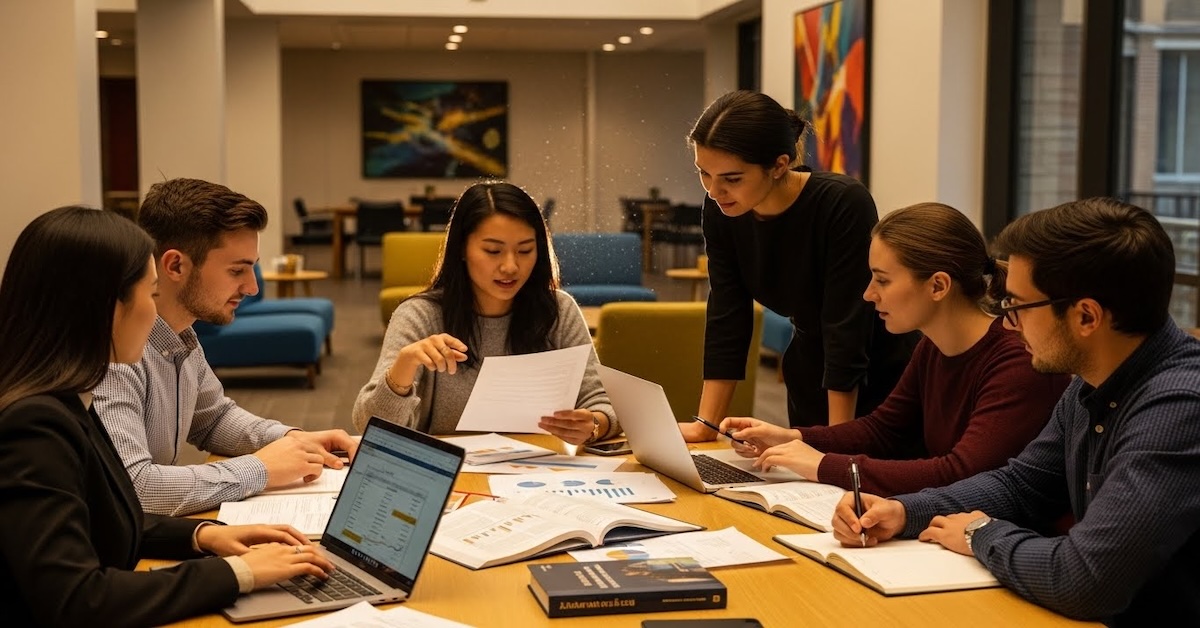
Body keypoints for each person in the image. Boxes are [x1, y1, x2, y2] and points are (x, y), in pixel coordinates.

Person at [833, 198, 1200, 624]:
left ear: (1086, 316)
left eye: (1018, 307)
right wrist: (904, 511)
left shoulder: (1178, 409)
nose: (1009, 324)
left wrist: (979, 533)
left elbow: (1087, 579)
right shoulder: (1091, 379)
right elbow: (1022, 485)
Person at [0, 206, 334, 626]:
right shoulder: (34, 426)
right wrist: (239, 573)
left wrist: (202, 535)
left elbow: (103, 512)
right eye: (149, 292)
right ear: (106, 308)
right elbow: (76, 599)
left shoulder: (65, 399)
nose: (153, 309)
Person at [719, 203, 1070, 495]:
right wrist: (792, 436)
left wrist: (824, 464)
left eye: (882, 280)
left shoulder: (1017, 364)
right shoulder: (932, 348)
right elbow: (882, 430)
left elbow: (962, 473)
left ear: (938, 285)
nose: (869, 294)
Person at [93, 178, 359, 517]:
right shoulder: (116, 353)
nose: (251, 287)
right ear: (175, 266)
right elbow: (135, 488)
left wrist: (293, 439)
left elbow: (213, 419)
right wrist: (260, 470)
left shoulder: (182, 335)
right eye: (238, 270)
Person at [681, 90, 917, 441]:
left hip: (876, 369)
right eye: (704, 174)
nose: (715, 192)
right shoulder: (723, 211)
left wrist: (838, 440)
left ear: (779, 165)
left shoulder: (841, 203)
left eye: (732, 178)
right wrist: (707, 425)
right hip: (809, 370)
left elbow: (846, 325)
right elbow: (728, 315)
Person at [353, 181, 618, 445]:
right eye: (493, 251)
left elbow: (603, 403)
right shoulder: (420, 315)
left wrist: (595, 424)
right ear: (461, 250)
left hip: (539, 473)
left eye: (525, 250)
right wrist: (405, 365)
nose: (511, 266)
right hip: (449, 475)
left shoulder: (558, 310)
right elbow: (369, 426)